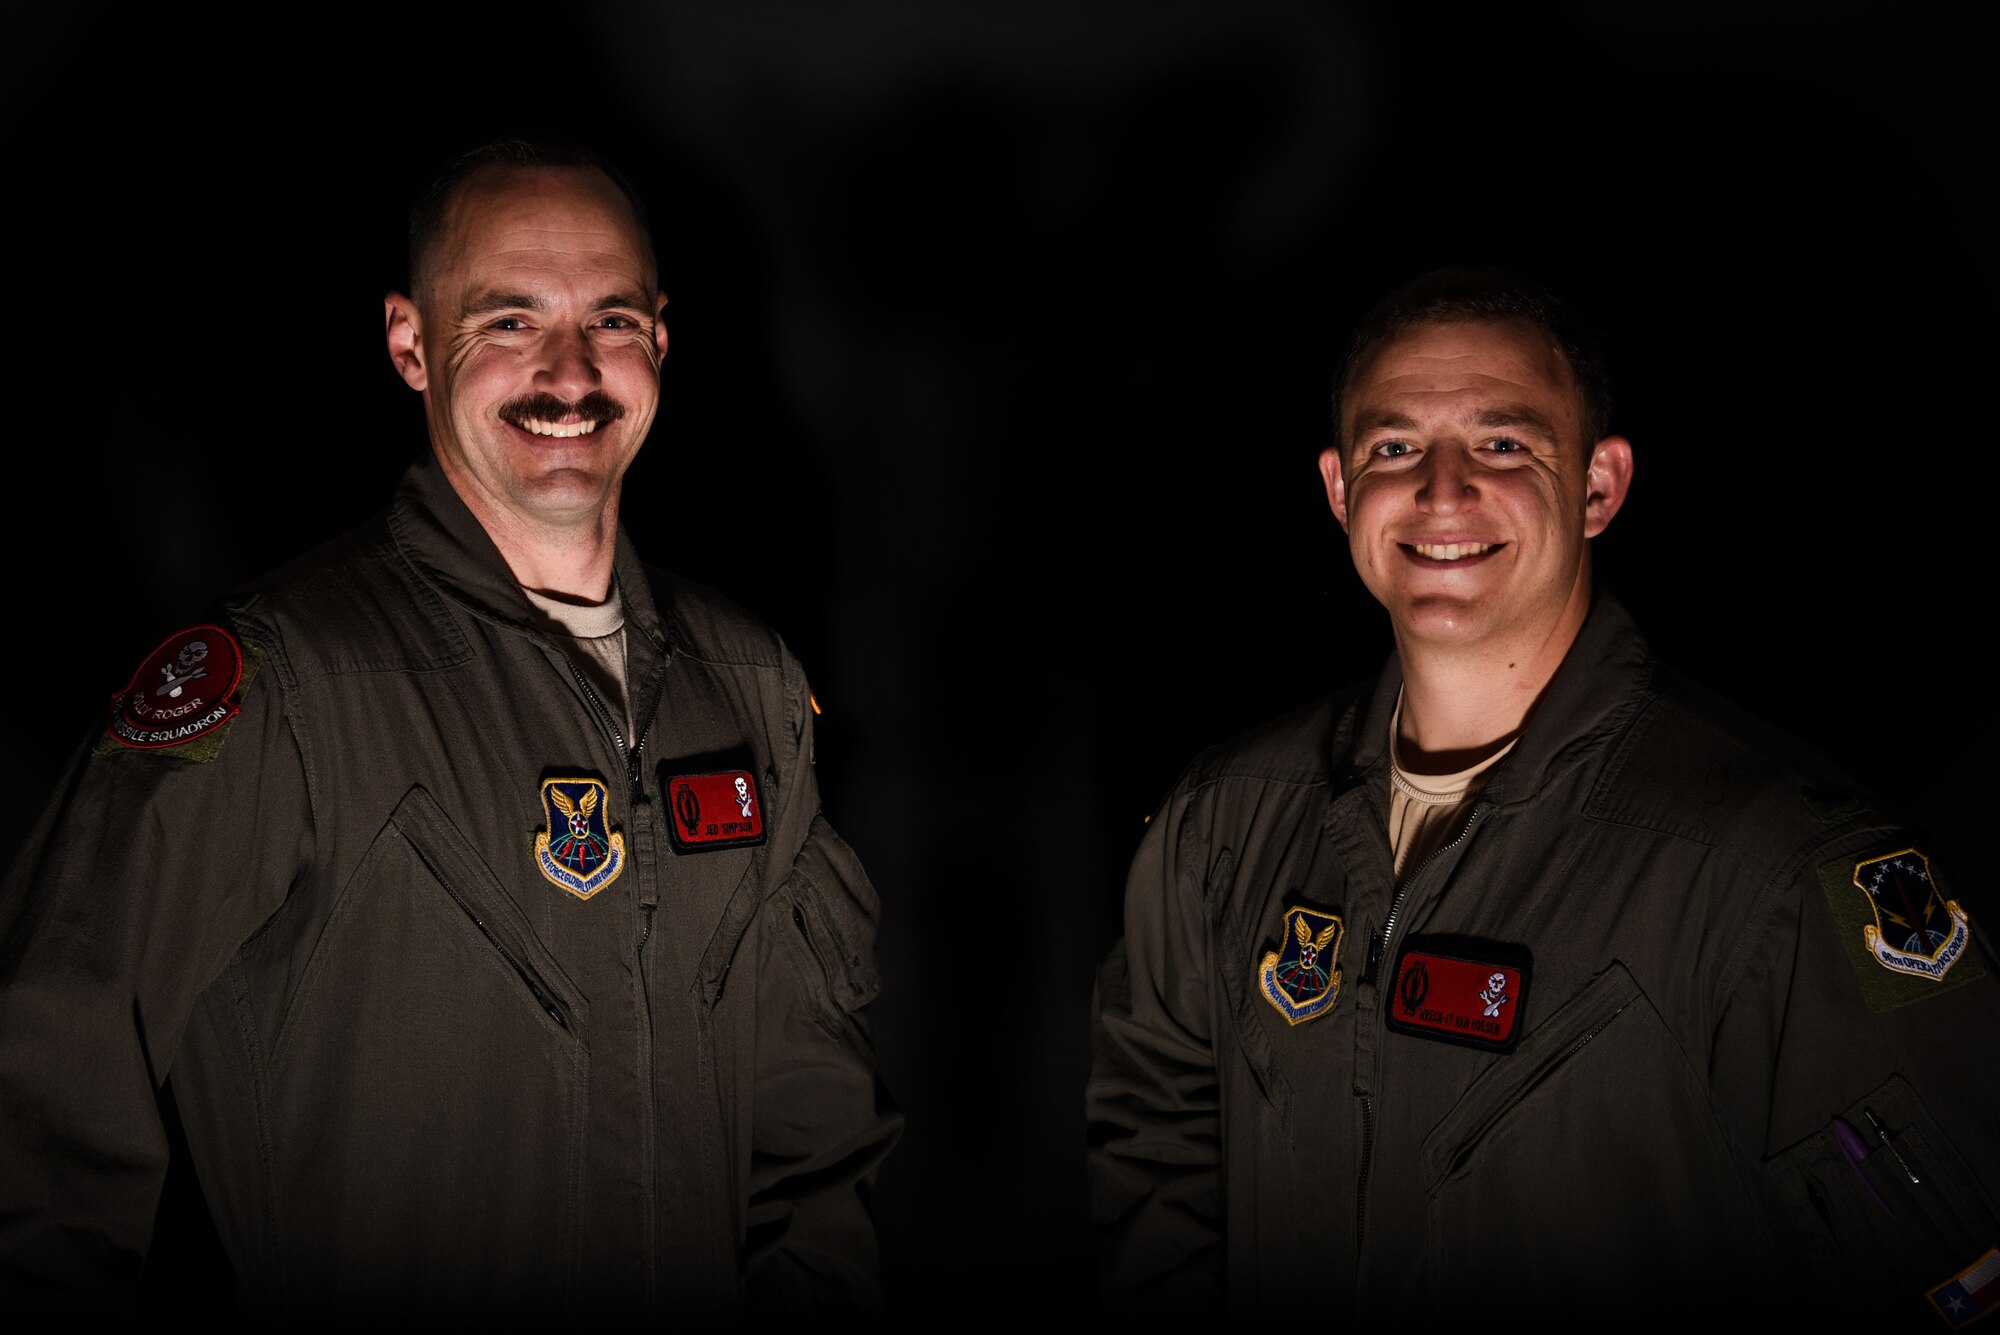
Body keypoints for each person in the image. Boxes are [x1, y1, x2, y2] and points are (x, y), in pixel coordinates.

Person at [0, 140, 898, 1320]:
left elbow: (812, 1133)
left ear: (662, 341)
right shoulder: (288, 685)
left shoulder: (748, 687)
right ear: (409, 343)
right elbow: (39, 1098)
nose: (569, 374)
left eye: (611, 320)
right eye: (510, 323)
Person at [1086, 269, 1999, 1324]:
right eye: (1394, 449)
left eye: (1501, 444)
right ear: (1340, 491)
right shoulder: (1220, 824)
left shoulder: (1774, 871)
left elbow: (1958, 1276)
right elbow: (1151, 1155)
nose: (1439, 491)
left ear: (1598, 487)